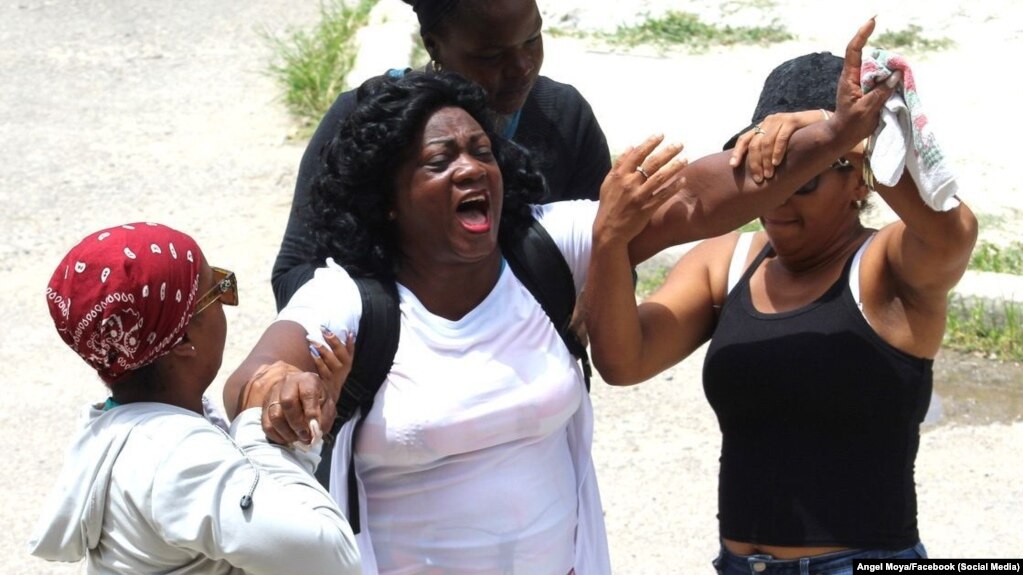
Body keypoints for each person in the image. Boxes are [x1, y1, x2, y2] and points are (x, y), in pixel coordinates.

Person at [223, 18, 896, 572]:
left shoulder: (550, 245)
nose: (470, 168)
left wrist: (833, 134)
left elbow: (696, 196)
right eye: (440, 161)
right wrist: (276, 383)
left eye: (480, 151)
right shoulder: (352, 299)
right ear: (389, 199)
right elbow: (251, 376)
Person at [584, 45, 978, 575]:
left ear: (859, 174)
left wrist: (835, 129)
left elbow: (953, 232)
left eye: (805, 176)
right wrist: (610, 241)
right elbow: (623, 362)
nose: (779, 200)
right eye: (764, 174)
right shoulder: (724, 264)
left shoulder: (887, 266)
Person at [29, 222, 362, 574]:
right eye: (218, 290)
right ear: (183, 338)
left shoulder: (117, 430)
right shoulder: (178, 459)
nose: (226, 303)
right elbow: (333, 559)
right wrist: (260, 430)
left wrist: (302, 430)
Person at [272, 0, 613, 310]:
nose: (522, 67)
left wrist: (592, 297)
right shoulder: (362, 124)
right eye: (492, 56)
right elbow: (294, 275)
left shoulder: (564, 118)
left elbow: (610, 249)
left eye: (532, 39)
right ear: (433, 44)